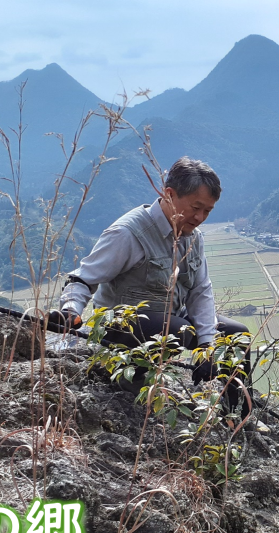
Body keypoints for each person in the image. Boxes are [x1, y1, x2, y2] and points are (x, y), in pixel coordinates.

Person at [49, 156, 251, 410]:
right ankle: (127, 377)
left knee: (236, 334)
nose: (200, 217)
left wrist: (209, 346)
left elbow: (200, 292)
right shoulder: (128, 233)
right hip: (121, 329)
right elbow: (83, 278)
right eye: (195, 207)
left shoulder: (193, 237)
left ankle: (237, 414)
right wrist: (70, 311)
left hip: (171, 319)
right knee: (181, 331)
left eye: (207, 211)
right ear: (169, 194)